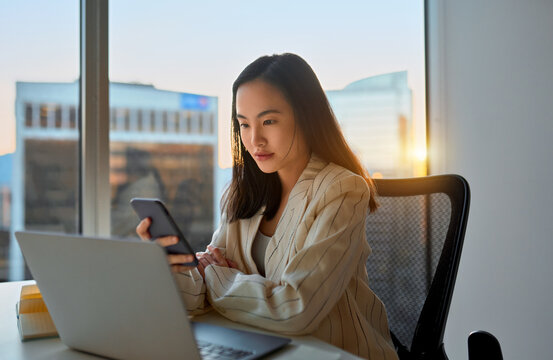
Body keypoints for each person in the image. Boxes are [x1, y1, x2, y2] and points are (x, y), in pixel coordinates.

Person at [137, 53, 398, 359]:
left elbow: (295, 309)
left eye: (269, 121)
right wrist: (173, 269)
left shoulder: (341, 189)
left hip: (336, 352)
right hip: (262, 348)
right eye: (244, 124)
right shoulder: (242, 191)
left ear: (306, 116)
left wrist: (216, 277)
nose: (254, 139)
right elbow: (200, 297)